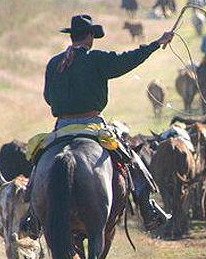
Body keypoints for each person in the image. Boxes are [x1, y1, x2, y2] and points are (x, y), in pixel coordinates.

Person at [39, 14, 173, 230]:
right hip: (94, 125)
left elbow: (48, 97)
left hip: (61, 127)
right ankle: (147, 208)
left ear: (72, 37)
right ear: (90, 36)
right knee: (132, 160)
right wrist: (157, 44)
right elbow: (129, 59)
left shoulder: (54, 63)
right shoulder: (96, 58)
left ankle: (32, 217)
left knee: (39, 163)